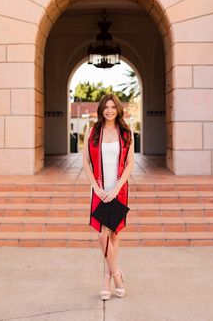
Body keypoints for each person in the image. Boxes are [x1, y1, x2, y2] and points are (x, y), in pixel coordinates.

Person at [82, 93, 134, 300]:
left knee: (114, 234)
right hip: (99, 190)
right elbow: (86, 162)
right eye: (106, 107)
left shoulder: (125, 132)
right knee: (102, 235)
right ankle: (116, 275)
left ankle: (106, 278)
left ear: (118, 109)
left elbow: (130, 163)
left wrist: (116, 187)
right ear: (101, 110)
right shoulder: (93, 131)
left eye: (113, 107)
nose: (110, 110)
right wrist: (96, 187)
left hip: (118, 190)